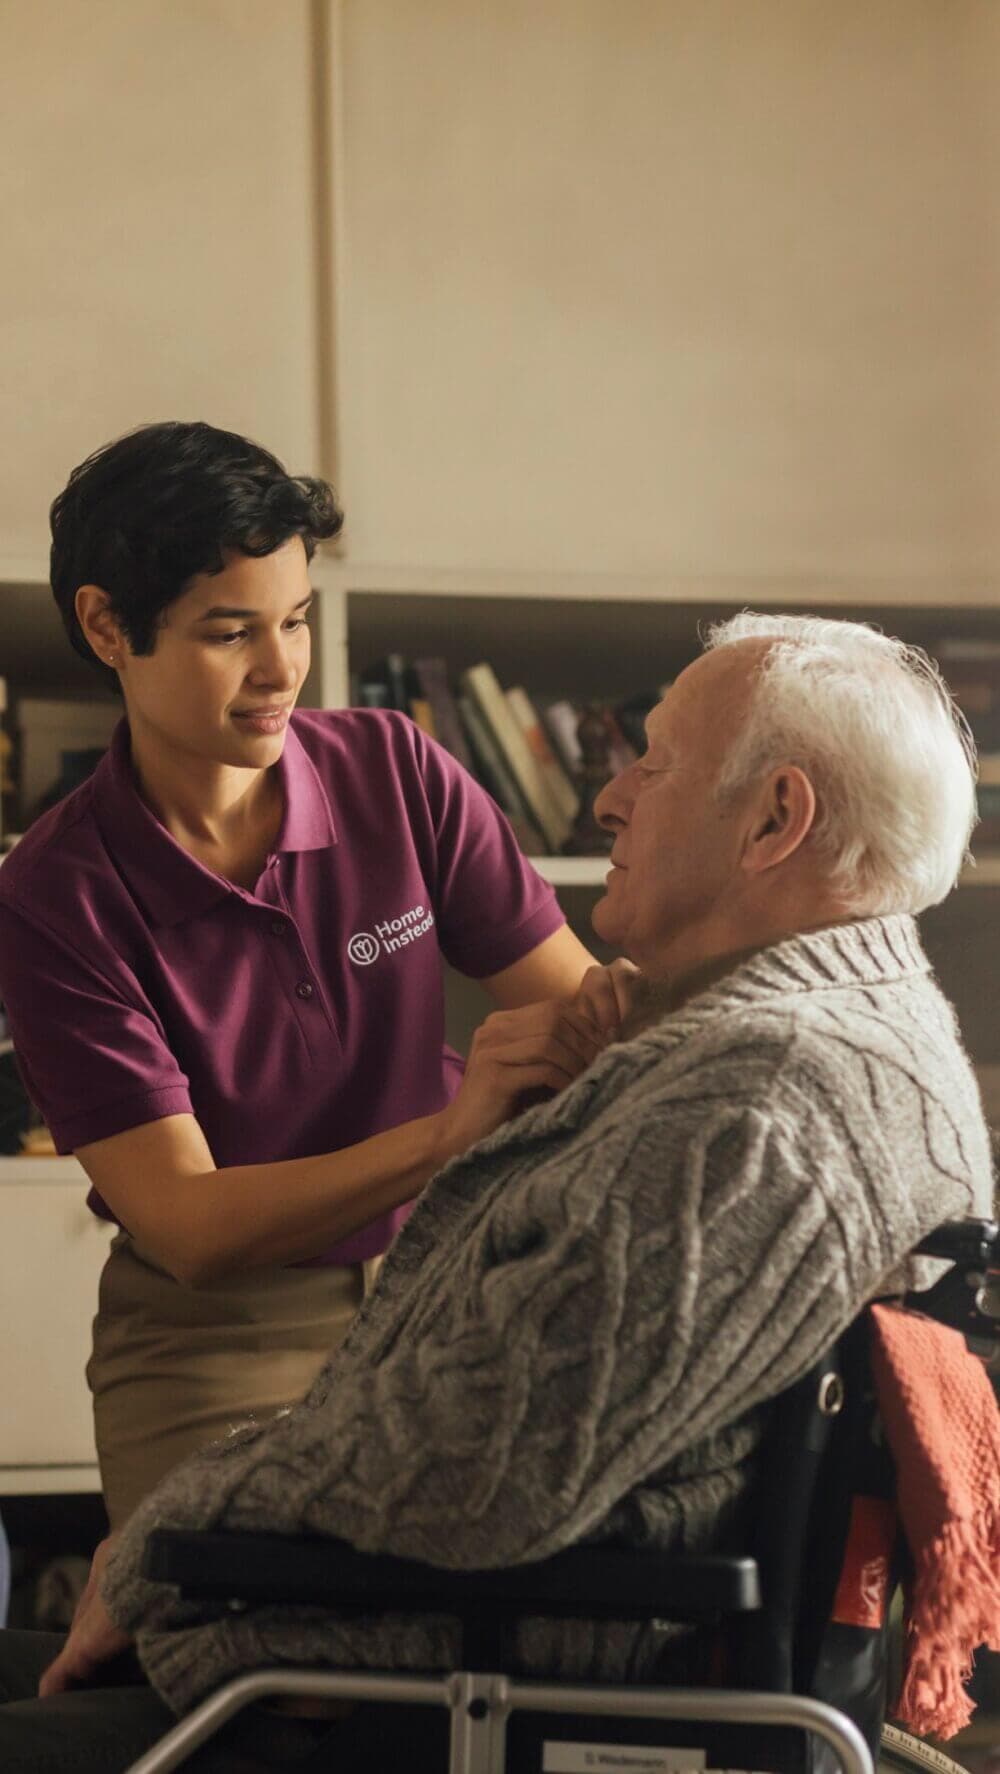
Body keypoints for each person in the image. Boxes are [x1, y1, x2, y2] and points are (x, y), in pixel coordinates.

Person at [0, 612, 993, 1772]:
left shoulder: (763, 1105)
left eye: (651, 762)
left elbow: (478, 1469)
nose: (607, 799)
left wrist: (157, 1541)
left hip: (453, 1678)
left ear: (775, 818)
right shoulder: (831, 1037)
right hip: (457, 1617)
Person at [0, 421, 615, 1529]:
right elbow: (189, 1224)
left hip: (453, 1275)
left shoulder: (397, 769)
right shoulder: (56, 895)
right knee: (243, 1669)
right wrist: (445, 1133)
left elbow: (587, 1018)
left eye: (294, 619)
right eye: (229, 632)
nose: (282, 669)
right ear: (106, 627)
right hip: (221, 1332)